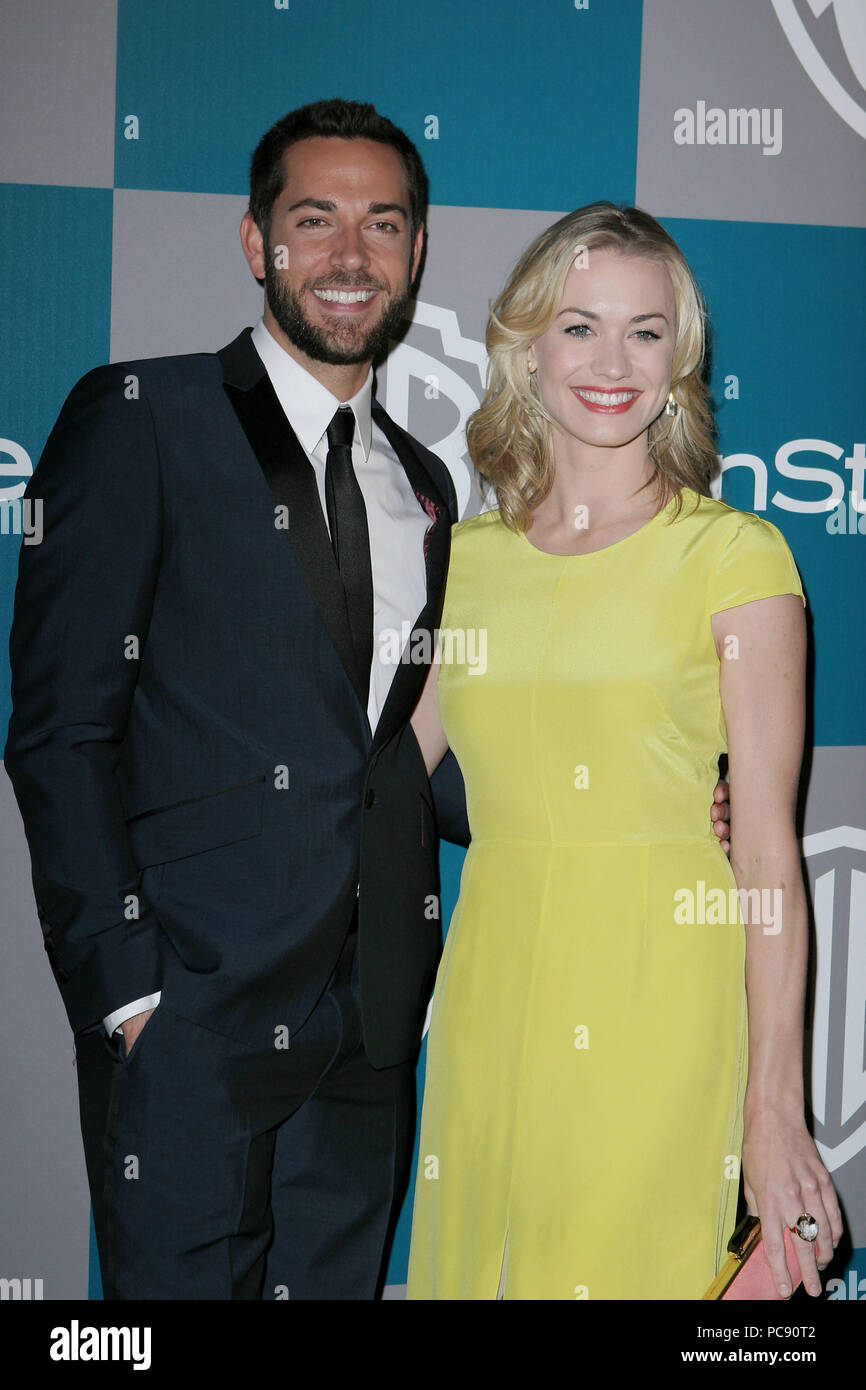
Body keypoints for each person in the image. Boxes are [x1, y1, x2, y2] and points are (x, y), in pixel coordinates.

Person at [4, 98, 469, 1301]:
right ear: (256, 242)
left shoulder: (423, 484)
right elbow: (60, 730)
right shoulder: (140, 419)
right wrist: (132, 996)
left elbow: (401, 747)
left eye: (382, 223)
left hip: (365, 1026)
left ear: (417, 252)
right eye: (315, 220)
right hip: (191, 1020)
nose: (351, 256)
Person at [405, 203, 842, 1300]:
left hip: (663, 986)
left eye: (645, 332)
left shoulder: (734, 556)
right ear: (524, 347)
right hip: (489, 990)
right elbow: (371, 788)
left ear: (679, 359)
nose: (611, 362)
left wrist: (774, 1107)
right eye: (578, 326)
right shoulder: (460, 560)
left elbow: (768, 861)